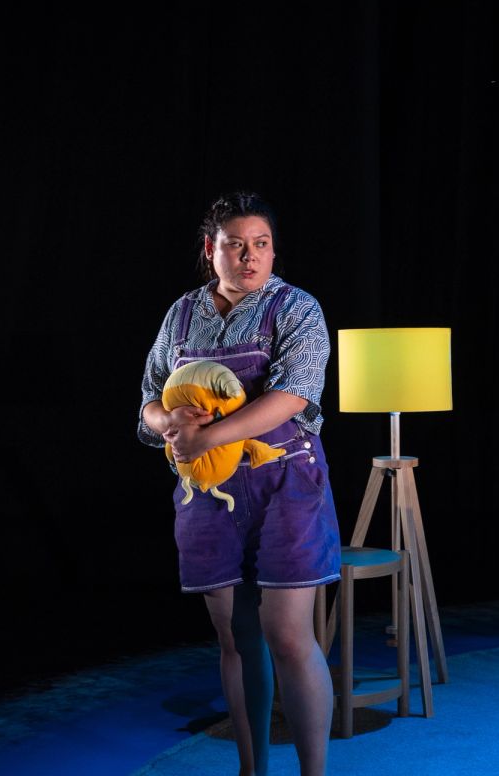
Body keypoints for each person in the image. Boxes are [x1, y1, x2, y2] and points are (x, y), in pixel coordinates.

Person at [137, 191, 340, 776]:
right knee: (236, 636)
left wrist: (208, 437)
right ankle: (252, 771)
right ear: (211, 249)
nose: (249, 257)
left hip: (286, 483)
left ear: (273, 250)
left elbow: (294, 394)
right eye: (235, 245)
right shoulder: (180, 316)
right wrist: (171, 422)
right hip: (208, 495)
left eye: (261, 244)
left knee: (287, 634)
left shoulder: (297, 308)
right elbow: (147, 403)